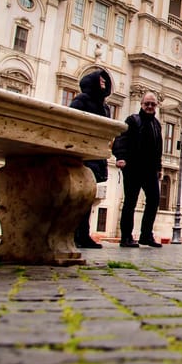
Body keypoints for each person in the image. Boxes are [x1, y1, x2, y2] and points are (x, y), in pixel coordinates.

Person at [112, 91, 164, 248]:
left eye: (152, 104)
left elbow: (158, 148)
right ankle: (126, 237)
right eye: (147, 104)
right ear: (141, 104)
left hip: (150, 171)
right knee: (130, 202)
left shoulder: (157, 124)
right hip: (133, 168)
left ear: (156, 106)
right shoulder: (132, 120)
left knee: (154, 200)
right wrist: (120, 157)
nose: (149, 106)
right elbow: (121, 139)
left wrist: (159, 168)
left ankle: (146, 235)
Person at [69, 68, 113, 249]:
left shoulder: (105, 107)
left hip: (97, 156)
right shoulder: (81, 100)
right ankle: (74, 234)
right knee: (79, 198)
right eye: (100, 81)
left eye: (105, 82)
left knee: (88, 198)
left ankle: (83, 234)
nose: (103, 84)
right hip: (83, 154)